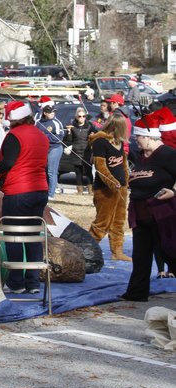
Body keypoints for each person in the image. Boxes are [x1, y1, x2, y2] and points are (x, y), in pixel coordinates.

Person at [0, 100, 49, 295]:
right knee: (33, 235)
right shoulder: (42, 136)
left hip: (19, 192)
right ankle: (34, 282)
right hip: (40, 191)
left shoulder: (14, 136)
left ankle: (17, 282)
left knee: (14, 236)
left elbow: (8, 162)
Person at [121, 115, 176, 302]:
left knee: (170, 252)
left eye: (139, 137)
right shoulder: (140, 156)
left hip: (162, 213)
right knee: (140, 255)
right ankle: (136, 292)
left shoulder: (168, 154)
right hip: (140, 213)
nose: (136, 140)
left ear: (150, 136)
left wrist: (174, 192)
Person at [87, 115, 131, 260]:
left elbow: (124, 164)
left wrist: (126, 181)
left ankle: (117, 251)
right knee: (102, 222)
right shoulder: (100, 142)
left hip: (121, 188)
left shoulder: (118, 142)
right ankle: (86, 251)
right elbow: (100, 167)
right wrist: (112, 182)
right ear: (117, 127)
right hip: (105, 189)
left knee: (118, 221)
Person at [37, 101, 65, 198]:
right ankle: (44, 190)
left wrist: (45, 137)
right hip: (43, 149)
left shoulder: (56, 123)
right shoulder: (38, 123)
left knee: (51, 171)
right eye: (50, 112)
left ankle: (51, 194)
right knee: (43, 171)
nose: (53, 114)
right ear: (45, 113)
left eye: (54, 112)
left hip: (54, 148)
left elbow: (59, 137)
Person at [65, 108, 95, 194]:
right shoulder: (73, 126)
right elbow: (69, 140)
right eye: (80, 116)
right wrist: (69, 132)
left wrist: (92, 135)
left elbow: (95, 136)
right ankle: (80, 190)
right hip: (76, 152)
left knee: (88, 171)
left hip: (87, 152)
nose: (82, 118)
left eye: (83, 116)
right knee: (78, 172)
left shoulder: (89, 126)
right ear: (76, 117)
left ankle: (90, 189)